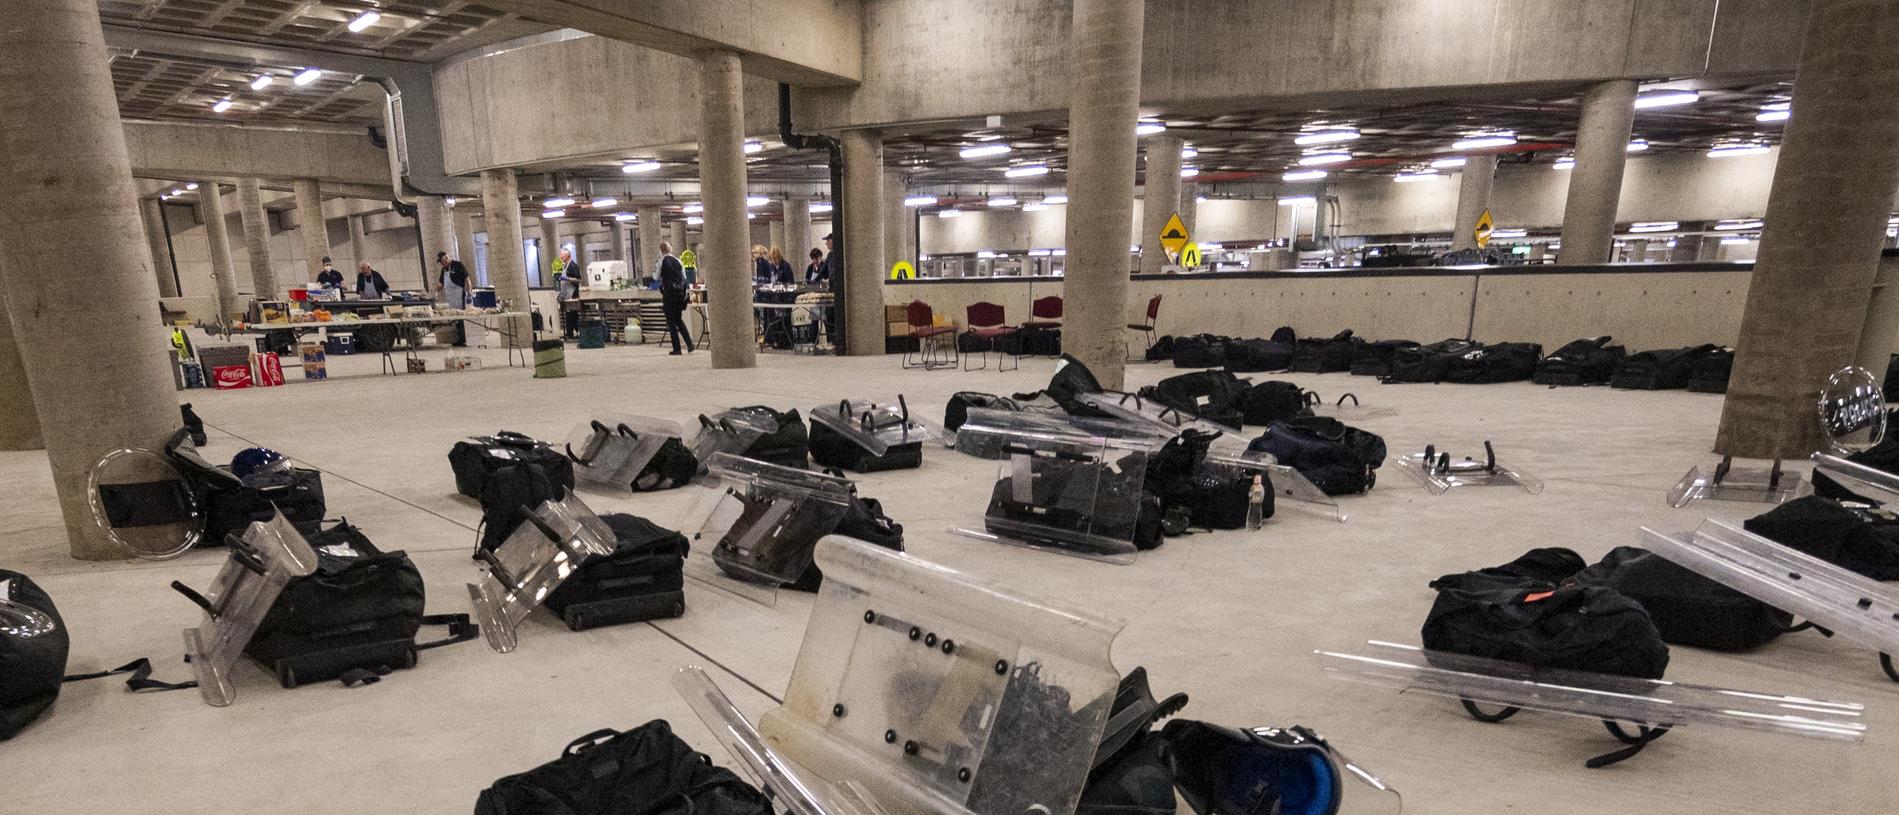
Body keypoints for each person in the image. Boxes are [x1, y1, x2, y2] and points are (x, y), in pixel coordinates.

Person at [657, 241, 693, 355]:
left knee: (671, 321)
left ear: (661, 251)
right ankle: (689, 344)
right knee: (679, 320)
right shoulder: (678, 260)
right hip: (679, 294)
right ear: (670, 249)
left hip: (669, 294)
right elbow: (684, 277)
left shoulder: (661, 262)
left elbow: (656, 276)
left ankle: (677, 348)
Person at [433, 251, 472, 347]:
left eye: (441, 262)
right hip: (451, 298)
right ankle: (458, 339)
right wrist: (436, 292)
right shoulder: (444, 269)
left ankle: (463, 340)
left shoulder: (458, 265)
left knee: (461, 318)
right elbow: (440, 283)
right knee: (455, 320)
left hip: (459, 296)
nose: (441, 264)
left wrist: (469, 293)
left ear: (446, 258)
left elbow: (467, 279)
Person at [555, 248, 583, 338]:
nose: (561, 257)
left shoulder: (573, 266)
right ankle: (571, 333)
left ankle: (578, 332)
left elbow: (578, 280)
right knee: (569, 314)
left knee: (572, 314)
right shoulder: (565, 266)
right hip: (566, 293)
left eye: (562, 256)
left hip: (572, 293)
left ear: (567, 256)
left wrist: (567, 279)